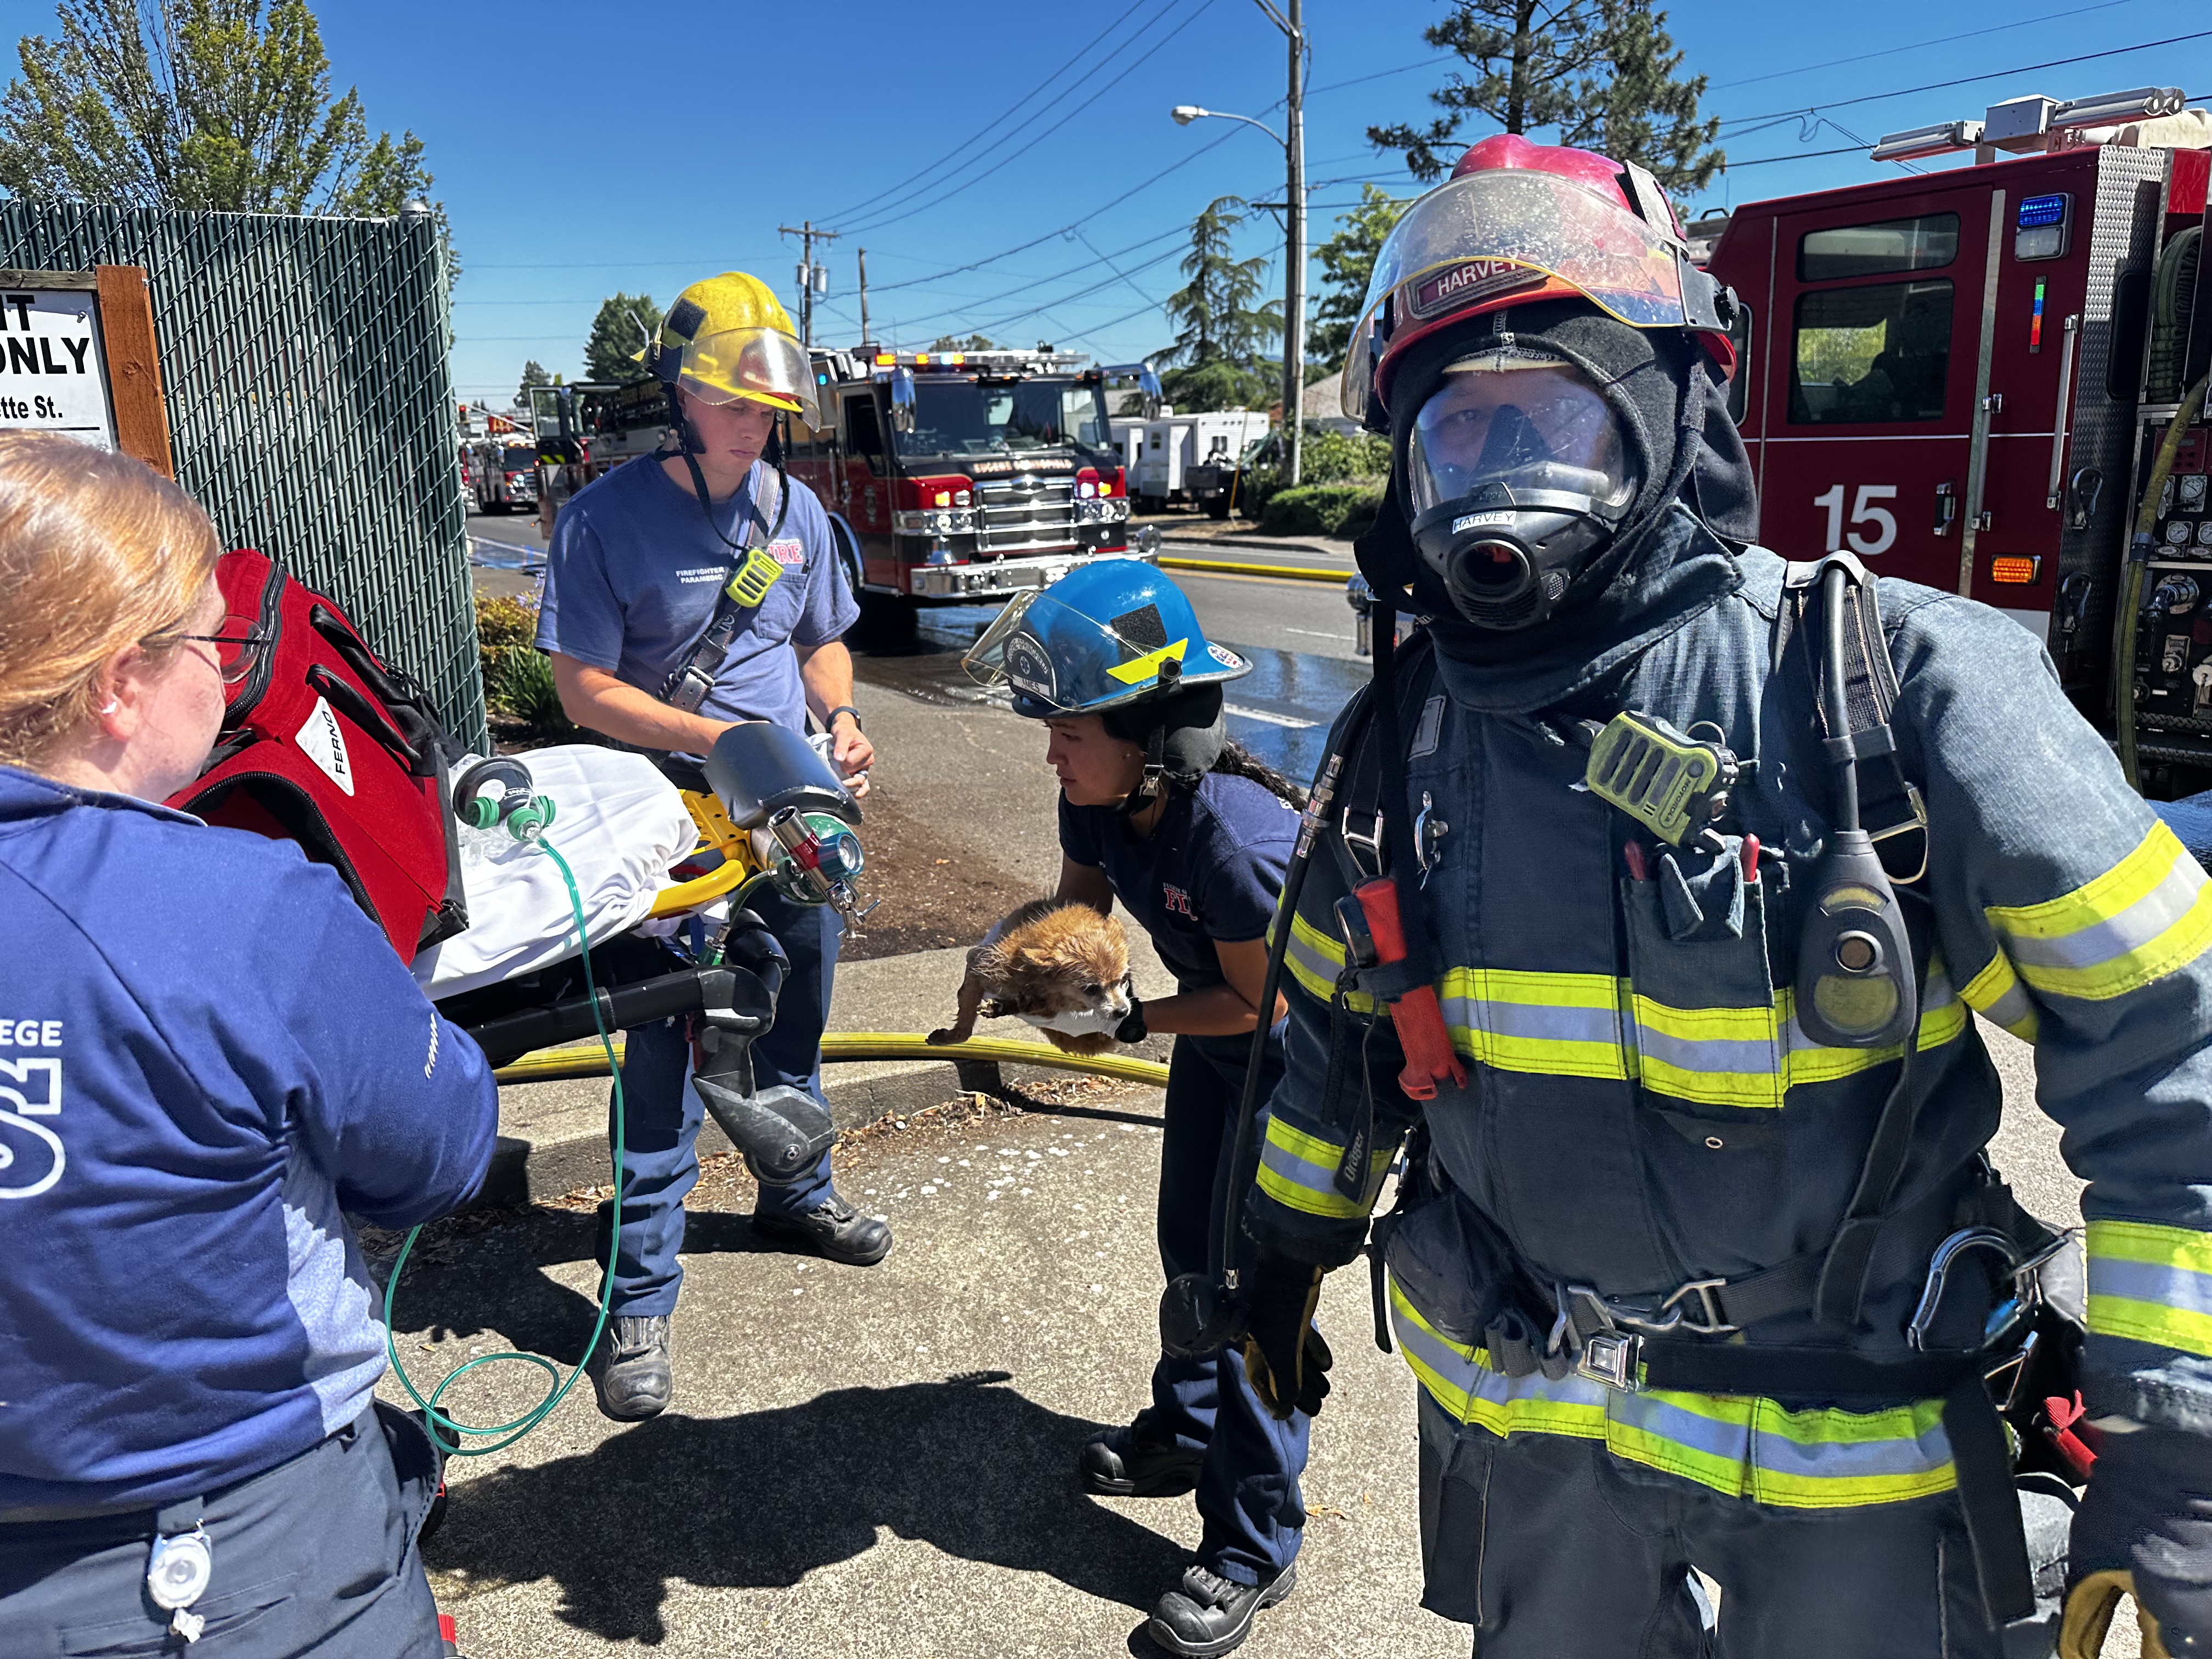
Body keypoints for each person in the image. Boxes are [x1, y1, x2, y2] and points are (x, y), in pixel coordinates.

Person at [1220, 133, 2212, 1658]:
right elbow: (1336, 1052)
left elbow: (2176, 1061)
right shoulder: (1399, 744)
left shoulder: (1892, 693)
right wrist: (1282, 1255)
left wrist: (2180, 1449)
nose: (1503, 484)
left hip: (1854, 1461)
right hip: (1542, 1443)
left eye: (1552, 420)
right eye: (1461, 434)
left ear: (1671, 413)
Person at [0, 433, 498, 1654]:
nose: (226, 677)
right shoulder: (244, 906)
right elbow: (437, 1155)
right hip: (228, 1554)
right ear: (117, 683)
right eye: (210, 645)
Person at [537, 270, 891, 1424]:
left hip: (790, 810)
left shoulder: (795, 511)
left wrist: (838, 717)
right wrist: (719, 741)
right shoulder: (604, 520)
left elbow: (820, 642)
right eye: (733, 402)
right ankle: (639, 1294)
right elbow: (583, 690)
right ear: (679, 397)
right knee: (667, 1051)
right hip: (671, 819)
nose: (755, 424)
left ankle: (797, 1191)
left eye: (768, 405)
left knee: (796, 1015)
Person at [964, 560, 1311, 1656]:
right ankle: (1189, 1432)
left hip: (1298, 1071)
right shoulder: (1104, 799)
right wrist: (1022, 975)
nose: (1051, 756)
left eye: (1070, 733)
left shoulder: (1232, 842)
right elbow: (1076, 913)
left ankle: (1254, 1544)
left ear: (1151, 735)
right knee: (1187, 1251)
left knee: (1255, 1298)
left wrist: (1124, 1026)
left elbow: (1259, 1004)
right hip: (1219, 1045)